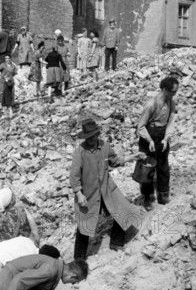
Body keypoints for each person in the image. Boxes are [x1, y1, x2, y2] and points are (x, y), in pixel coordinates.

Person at [69, 118, 145, 259]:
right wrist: (79, 194)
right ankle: (78, 259)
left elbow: (115, 161)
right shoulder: (79, 152)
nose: (92, 140)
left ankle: (116, 243)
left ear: (97, 134)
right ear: (85, 137)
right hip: (89, 194)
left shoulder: (105, 146)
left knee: (120, 210)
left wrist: (133, 157)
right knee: (84, 224)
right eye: (88, 137)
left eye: (94, 136)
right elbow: (74, 176)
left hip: (106, 188)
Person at [137, 76, 178, 209]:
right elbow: (141, 126)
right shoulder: (151, 104)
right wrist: (149, 140)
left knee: (163, 167)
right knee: (147, 168)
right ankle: (147, 197)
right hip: (149, 135)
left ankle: (163, 194)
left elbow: (171, 121)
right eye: (172, 92)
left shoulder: (171, 102)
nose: (174, 95)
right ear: (165, 89)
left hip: (161, 136)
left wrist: (166, 139)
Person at [0, 54, 18, 119]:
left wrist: (10, 79)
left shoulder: (13, 66)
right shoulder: (3, 65)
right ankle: (5, 114)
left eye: (8, 58)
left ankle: (10, 115)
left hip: (10, 84)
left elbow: (14, 73)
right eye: (6, 58)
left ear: (11, 59)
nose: (7, 60)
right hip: (3, 83)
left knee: (10, 99)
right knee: (2, 99)